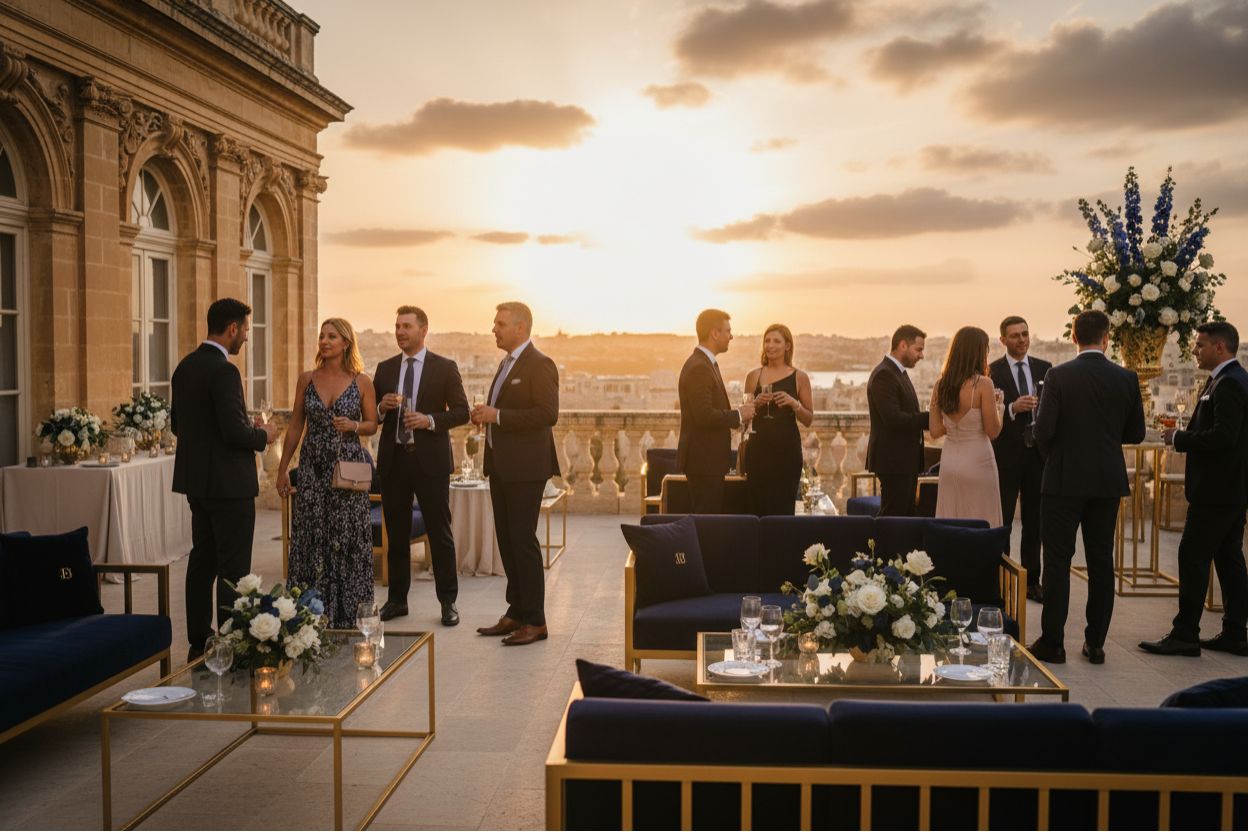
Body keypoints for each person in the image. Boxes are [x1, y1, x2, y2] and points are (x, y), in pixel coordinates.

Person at [1029, 310, 1145, 665]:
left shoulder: (1058, 376)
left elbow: (1042, 432)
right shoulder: (1127, 378)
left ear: (1074, 338)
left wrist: (1056, 457)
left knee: (1058, 562)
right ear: (1107, 337)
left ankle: (1053, 643)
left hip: (1063, 480)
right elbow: (1136, 434)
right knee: (1100, 562)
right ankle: (1095, 643)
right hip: (1107, 481)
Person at [171, 298, 279, 661]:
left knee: (202, 562)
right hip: (229, 488)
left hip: (197, 485)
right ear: (232, 328)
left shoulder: (184, 367)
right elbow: (234, 433)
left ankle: (199, 643)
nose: (246, 337)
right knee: (233, 569)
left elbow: (177, 425)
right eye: (246, 329)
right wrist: (265, 434)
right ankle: (230, 646)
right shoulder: (225, 371)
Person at [1140, 321, 1248, 657]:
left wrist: (1179, 438)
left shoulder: (1228, 383)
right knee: (1229, 559)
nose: (1194, 351)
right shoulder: (1231, 379)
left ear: (1220, 347)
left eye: (1200, 345)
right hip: (1231, 489)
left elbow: (1223, 437)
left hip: (1217, 491)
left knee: (1193, 556)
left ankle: (1185, 632)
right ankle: (1235, 632)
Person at [275, 318, 378, 629]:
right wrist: (283, 469)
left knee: (347, 538)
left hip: (347, 468)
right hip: (312, 469)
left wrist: (355, 426)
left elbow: (373, 423)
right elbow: (295, 426)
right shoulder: (306, 379)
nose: (325, 341)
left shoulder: (362, 382)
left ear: (346, 343)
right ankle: (310, 616)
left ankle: (349, 616)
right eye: (322, 335)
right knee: (311, 536)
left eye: (332, 336)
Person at [470, 302, 560, 646]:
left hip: (526, 469)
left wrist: (498, 416)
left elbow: (547, 413)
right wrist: (486, 416)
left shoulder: (540, 364)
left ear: (521, 328)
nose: (494, 328)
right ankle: (517, 611)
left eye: (500, 323)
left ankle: (536, 621)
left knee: (523, 542)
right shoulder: (506, 364)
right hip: (501, 466)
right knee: (507, 541)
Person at [373, 305, 469, 625]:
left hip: (430, 462)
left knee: (440, 534)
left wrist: (429, 420)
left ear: (423, 330)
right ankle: (397, 600)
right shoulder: (385, 369)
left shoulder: (445, 367)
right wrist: (380, 407)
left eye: (407, 327)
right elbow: (371, 418)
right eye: (397, 326)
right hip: (394, 461)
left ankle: (448, 603)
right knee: (396, 535)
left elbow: (461, 412)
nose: (400, 332)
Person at [989, 316, 1052, 602]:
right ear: (1003, 340)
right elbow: (987, 417)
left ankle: (1031, 581)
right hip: (1006, 457)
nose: (1022, 340)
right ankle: (1001, 579)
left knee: (1035, 522)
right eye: (1015, 336)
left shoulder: (1045, 369)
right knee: (1002, 521)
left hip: (1038, 456)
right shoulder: (992, 372)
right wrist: (1013, 408)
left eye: (1025, 334)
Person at [677, 309, 755, 513]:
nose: (731, 336)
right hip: (704, 462)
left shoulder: (704, 364)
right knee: (706, 520)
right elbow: (703, 415)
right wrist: (739, 414)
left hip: (706, 462)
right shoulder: (700, 368)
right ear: (714, 333)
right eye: (728, 331)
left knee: (708, 518)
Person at [928, 326, 1003, 525]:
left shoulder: (940, 385)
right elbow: (993, 431)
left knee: (951, 519)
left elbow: (935, 431)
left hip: (950, 463)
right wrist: (999, 407)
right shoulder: (984, 384)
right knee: (982, 520)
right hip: (979, 462)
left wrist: (955, 427)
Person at [742, 324, 813, 516]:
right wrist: (755, 404)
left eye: (776, 341)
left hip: (787, 453)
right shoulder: (753, 376)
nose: (770, 345)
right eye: (767, 341)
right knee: (756, 509)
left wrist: (793, 403)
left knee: (783, 510)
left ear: (787, 346)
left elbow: (808, 419)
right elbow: (743, 421)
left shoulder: (800, 377)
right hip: (758, 452)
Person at [866, 325, 929, 516]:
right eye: (918, 349)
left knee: (903, 515)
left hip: (902, 460)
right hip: (893, 461)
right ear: (903, 345)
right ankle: (883, 547)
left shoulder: (897, 372)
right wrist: (928, 419)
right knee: (893, 515)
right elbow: (892, 418)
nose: (921, 355)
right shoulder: (885, 374)